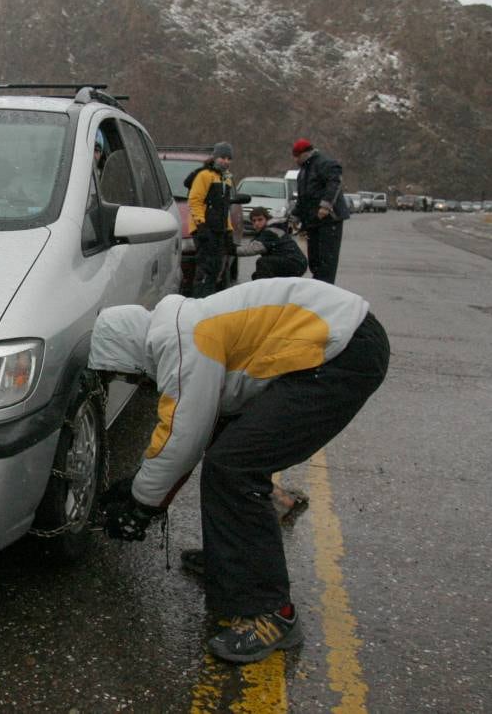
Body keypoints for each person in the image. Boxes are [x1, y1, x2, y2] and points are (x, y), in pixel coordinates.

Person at [88, 278, 389, 664]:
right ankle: (232, 567)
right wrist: (147, 491)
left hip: (340, 354)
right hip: (338, 343)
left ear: (128, 350)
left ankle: (272, 613)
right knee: (228, 456)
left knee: (235, 468)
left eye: (125, 373)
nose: (134, 380)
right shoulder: (185, 324)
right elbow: (198, 434)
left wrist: (140, 502)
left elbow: (182, 435)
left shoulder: (182, 341)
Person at [290, 138, 348, 284]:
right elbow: (303, 198)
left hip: (329, 221)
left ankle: (325, 288)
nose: (295, 159)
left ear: (305, 153)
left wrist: (326, 205)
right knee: (314, 260)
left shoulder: (324, 163)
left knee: (327, 260)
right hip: (312, 221)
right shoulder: (303, 172)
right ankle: (318, 285)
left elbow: (334, 182)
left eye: (296, 156)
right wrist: (295, 215)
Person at [186, 142, 237, 298]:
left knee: (216, 268)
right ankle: (198, 299)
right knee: (205, 268)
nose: (226, 161)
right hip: (205, 230)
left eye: (229, 158)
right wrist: (201, 225)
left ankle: (209, 299)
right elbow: (195, 201)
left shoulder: (226, 179)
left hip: (218, 230)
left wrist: (229, 231)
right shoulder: (205, 175)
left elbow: (224, 209)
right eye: (222, 157)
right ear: (215, 157)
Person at [236, 207, 307, 280]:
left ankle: (265, 290)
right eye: (254, 221)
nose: (257, 223)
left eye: (260, 219)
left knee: (262, 263)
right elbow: (251, 245)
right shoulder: (269, 230)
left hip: (295, 263)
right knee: (256, 276)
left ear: (267, 219)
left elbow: (252, 249)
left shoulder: (270, 232)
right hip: (295, 263)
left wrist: (231, 250)